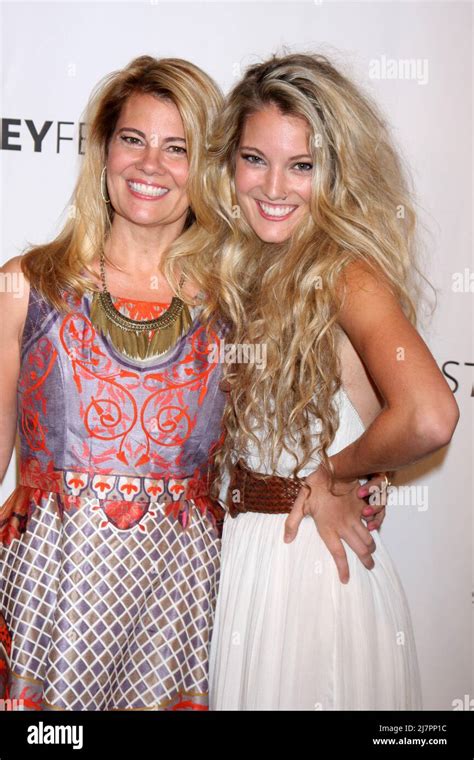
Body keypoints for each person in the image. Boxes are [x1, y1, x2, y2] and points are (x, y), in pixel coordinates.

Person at [176, 53, 460, 710]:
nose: (274, 185)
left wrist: (334, 470)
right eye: (255, 159)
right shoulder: (249, 272)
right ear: (228, 165)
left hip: (308, 579)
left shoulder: (344, 274)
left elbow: (428, 414)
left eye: (302, 165)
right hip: (252, 571)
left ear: (332, 173)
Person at [0, 55, 229, 711]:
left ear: (206, 169)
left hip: (178, 610)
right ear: (104, 151)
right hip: (47, 596)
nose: (149, 165)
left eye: (176, 148)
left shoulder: (236, 307)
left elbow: (300, 431)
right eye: (133, 139)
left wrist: (349, 476)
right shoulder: (27, 284)